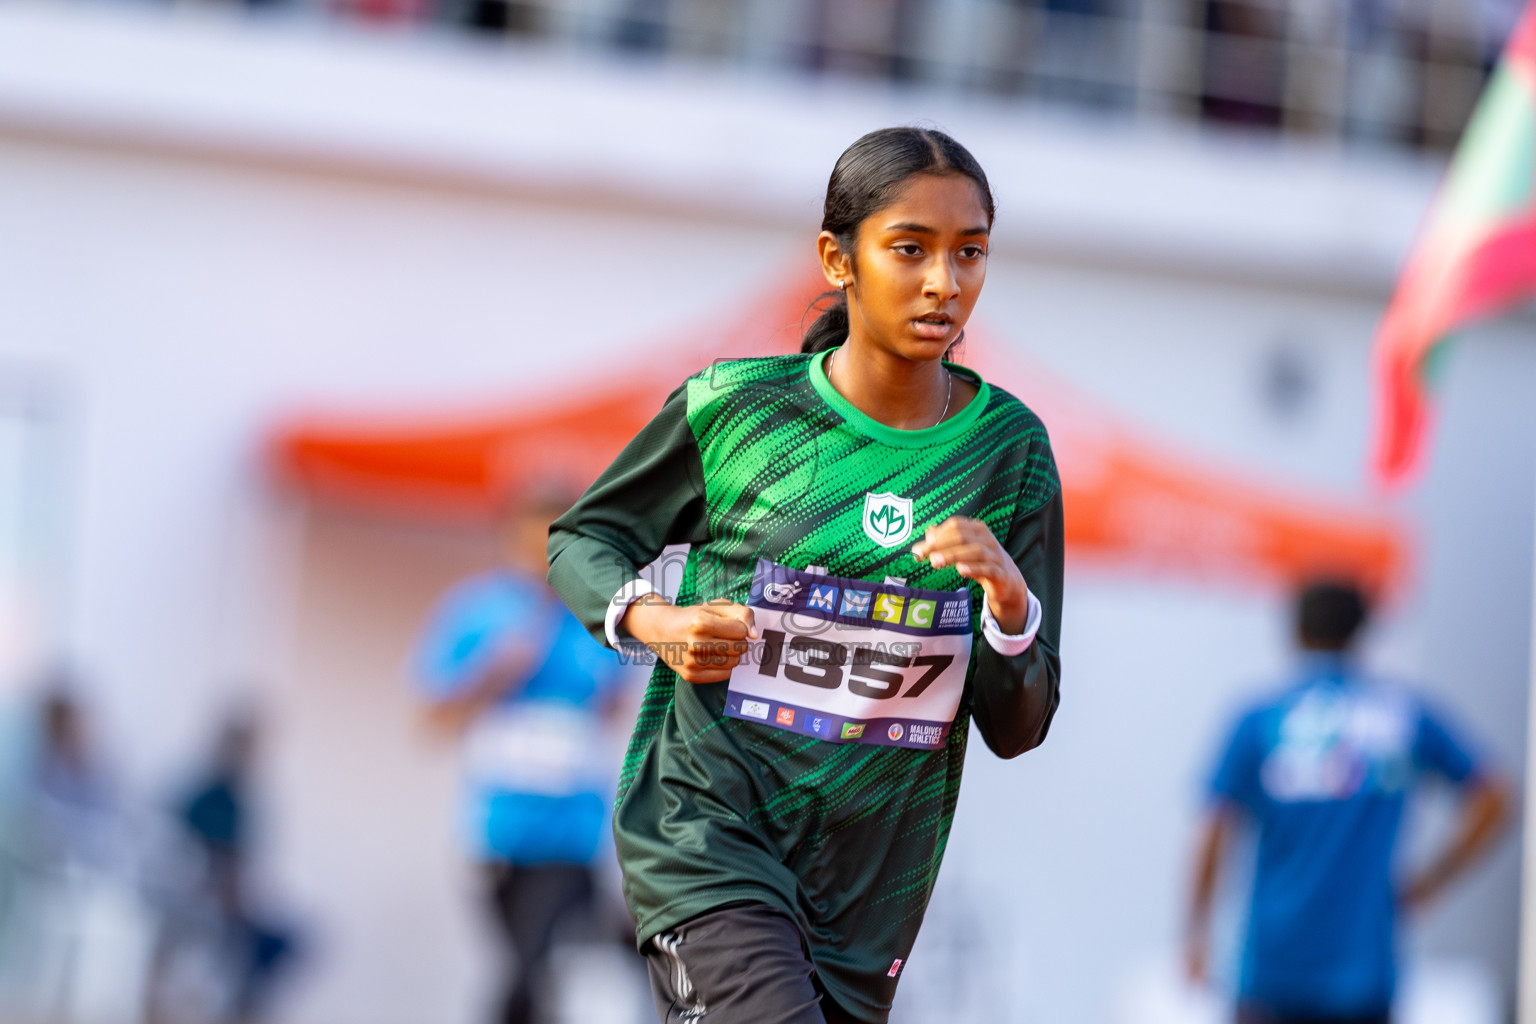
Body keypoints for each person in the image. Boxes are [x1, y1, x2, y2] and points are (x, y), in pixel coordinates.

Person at [547, 126, 1064, 1024]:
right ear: (838, 258)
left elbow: (1019, 726)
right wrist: (654, 623)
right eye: (911, 249)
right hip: (706, 839)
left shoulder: (1010, 453)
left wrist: (1011, 611)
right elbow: (583, 539)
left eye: (969, 252)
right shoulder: (736, 410)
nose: (945, 282)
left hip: (869, 893)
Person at [1185, 580, 1512, 1024]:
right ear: (1362, 634)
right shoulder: (1403, 716)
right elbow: (1495, 799)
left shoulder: (1261, 719)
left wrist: (1195, 934)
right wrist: (1430, 882)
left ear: (1295, 633)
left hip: (1272, 970)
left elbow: (1215, 832)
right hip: (1363, 974)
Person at [415, 492, 628, 1024]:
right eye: (532, 542)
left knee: (538, 962)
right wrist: (491, 675)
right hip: (498, 831)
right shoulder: (477, 611)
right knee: (521, 970)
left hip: (573, 831)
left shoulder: (598, 616)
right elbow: (432, 720)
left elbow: (610, 708)